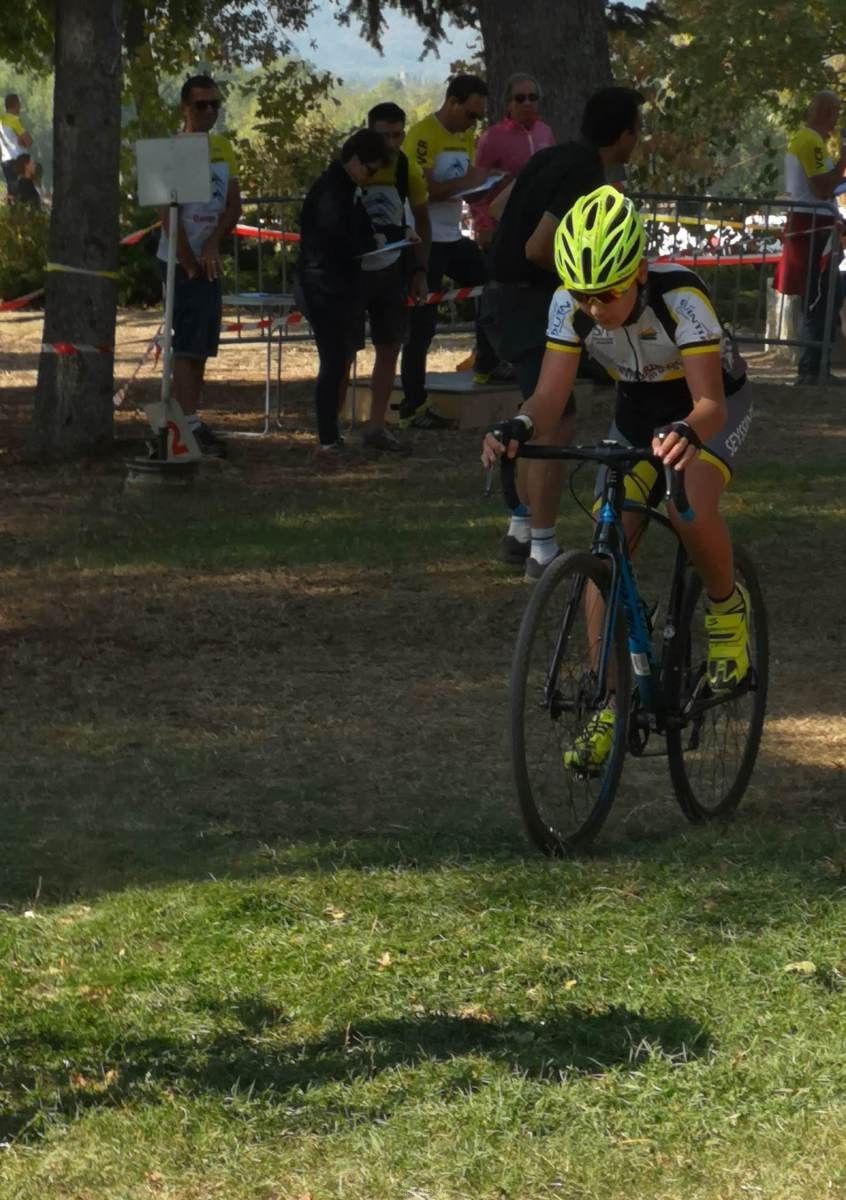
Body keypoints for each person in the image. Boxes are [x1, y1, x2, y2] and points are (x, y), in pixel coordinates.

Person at [482, 186, 753, 767]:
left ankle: (728, 612)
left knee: (686, 506)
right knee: (607, 545)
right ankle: (610, 702)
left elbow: (710, 404)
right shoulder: (571, 305)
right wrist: (520, 424)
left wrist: (687, 431)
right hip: (638, 415)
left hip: (708, 408)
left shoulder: (681, 297)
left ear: (639, 274)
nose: (594, 308)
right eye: (582, 296)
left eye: (606, 294)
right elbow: (550, 396)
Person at [482, 86, 644, 572]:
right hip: (529, 301)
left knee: (533, 413)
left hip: (500, 298)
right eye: (637, 131)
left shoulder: (549, 156)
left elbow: (498, 208)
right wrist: (591, 279)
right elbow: (537, 248)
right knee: (556, 420)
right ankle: (542, 549)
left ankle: (520, 528)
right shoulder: (584, 173)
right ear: (624, 135)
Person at [398, 74, 504, 428]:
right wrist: (468, 181)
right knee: (421, 325)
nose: (473, 124)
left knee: (491, 283)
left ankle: (488, 363)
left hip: (453, 236)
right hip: (424, 238)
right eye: (470, 115)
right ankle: (413, 405)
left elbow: (466, 185)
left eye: (479, 118)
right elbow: (423, 190)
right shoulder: (423, 135)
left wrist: (485, 186)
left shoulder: (464, 137)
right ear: (453, 103)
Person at [155, 74, 241, 456]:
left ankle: (190, 419)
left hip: (208, 259)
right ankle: (183, 425)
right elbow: (166, 214)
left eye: (214, 104)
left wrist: (212, 243)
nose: (208, 111)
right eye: (200, 104)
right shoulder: (171, 150)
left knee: (203, 343)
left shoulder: (222, 148)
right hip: (179, 261)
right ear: (185, 108)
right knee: (187, 343)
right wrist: (188, 261)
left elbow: (234, 206)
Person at [298, 128, 393, 462]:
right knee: (333, 363)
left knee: (339, 362)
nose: (370, 177)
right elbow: (337, 238)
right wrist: (369, 243)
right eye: (369, 169)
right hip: (323, 285)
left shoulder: (349, 189)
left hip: (338, 285)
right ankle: (326, 440)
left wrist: (386, 235)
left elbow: (359, 230)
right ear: (354, 160)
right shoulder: (331, 191)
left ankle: (331, 435)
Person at [358, 102, 431, 454]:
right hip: (353, 269)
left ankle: (377, 424)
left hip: (392, 268)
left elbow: (422, 221)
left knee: (389, 347)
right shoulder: (351, 164)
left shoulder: (406, 167)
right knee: (343, 351)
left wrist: (420, 270)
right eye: (383, 135)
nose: (390, 143)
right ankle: (332, 433)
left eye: (397, 135)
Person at [778, 90, 846, 385]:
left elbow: (826, 186)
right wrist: (843, 161)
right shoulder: (810, 141)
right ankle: (810, 369)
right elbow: (821, 188)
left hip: (819, 226)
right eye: (836, 113)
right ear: (828, 112)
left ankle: (819, 367)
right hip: (814, 229)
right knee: (819, 298)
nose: (836, 121)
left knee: (829, 296)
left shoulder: (807, 140)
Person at [468, 73, 555, 249]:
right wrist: (484, 226)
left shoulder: (545, 133)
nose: (527, 103)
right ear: (509, 104)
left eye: (532, 97)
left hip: (541, 228)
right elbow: (477, 189)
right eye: (520, 98)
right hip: (504, 230)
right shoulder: (492, 138)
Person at [1, 94, 33, 201]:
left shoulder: (1, 120)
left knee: (12, 193)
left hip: (6, 161)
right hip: (18, 161)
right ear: (15, 104)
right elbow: (28, 141)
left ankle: (11, 210)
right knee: (25, 194)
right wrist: (22, 140)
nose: (20, 106)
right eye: (19, 103)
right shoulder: (14, 120)